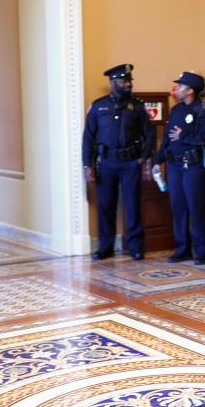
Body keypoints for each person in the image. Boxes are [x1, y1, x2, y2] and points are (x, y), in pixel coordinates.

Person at [82, 64, 155, 260]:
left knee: (133, 206)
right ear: (112, 82)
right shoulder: (98, 106)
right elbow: (88, 137)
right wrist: (87, 165)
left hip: (131, 163)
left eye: (130, 81)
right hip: (105, 163)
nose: (128, 84)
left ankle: (135, 247)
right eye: (124, 81)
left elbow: (149, 134)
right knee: (106, 206)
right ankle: (105, 247)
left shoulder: (137, 107)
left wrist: (143, 158)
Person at [153, 71, 205, 265]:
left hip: (194, 166)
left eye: (180, 86)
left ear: (190, 90)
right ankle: (183, 249)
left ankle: (202, 251)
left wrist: (184, 136)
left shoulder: (203, 110)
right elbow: (168, 138)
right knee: (178, 207)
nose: (177, 89)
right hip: (174, 165)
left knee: (196, 207)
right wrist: (158, 160)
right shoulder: (176, 110)